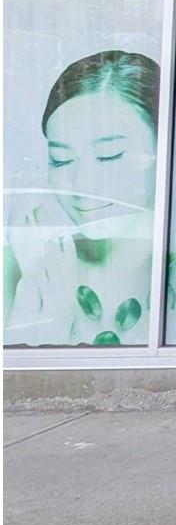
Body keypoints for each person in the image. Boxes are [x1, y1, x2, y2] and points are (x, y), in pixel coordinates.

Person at [4, 51, 160, 345]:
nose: (82, 184)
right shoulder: (21, 265)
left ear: (161, 148)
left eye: (108, 155)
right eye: (61, 160)